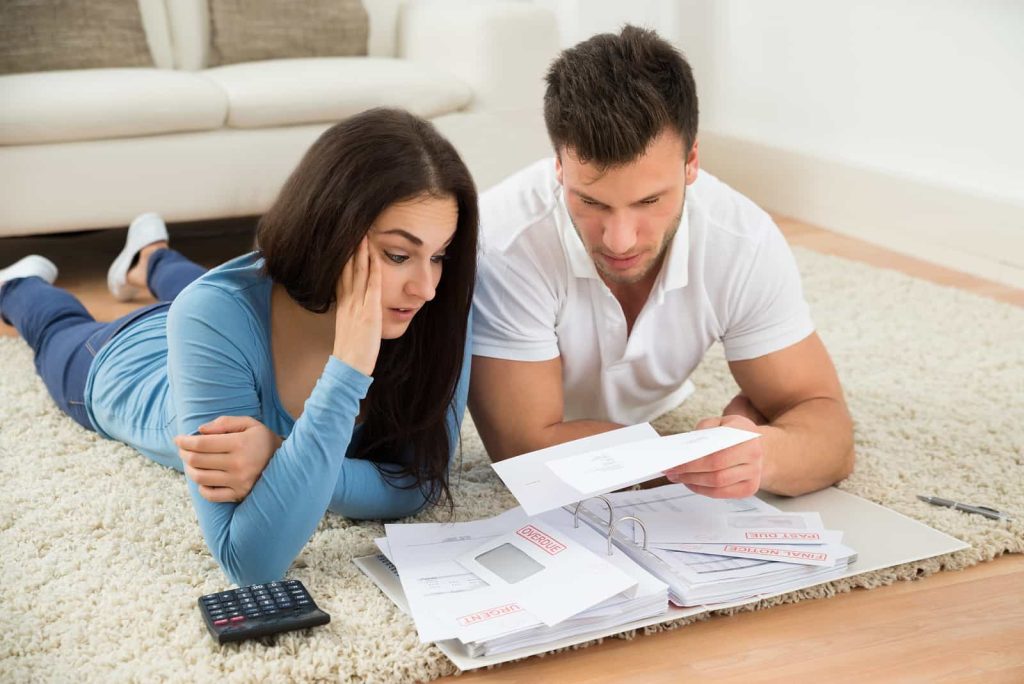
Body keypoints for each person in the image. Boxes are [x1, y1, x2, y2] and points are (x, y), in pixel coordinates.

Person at [0, 108, 478, 586]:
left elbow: (418, 484)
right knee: (56, 328)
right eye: (398, 255)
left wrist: (280, 454)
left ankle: (150, 258)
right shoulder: (212, 314)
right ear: (329, 231)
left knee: (205, 291)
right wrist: (348, 368)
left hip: (225, 318)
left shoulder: (433, 304)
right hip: (126, 362)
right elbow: (250, 562)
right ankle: (18, 286)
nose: (427, 288)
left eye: (439, 255)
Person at [467, 26, 854, 498]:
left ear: (692, 162)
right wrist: (699, 452)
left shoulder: (743, 240)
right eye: (591, 202)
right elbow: (526, 453)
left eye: (649, 201)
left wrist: (760, 455)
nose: (620, 239)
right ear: (558, 166)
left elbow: (825, 423)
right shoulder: (503, 242)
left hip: (652, 408)